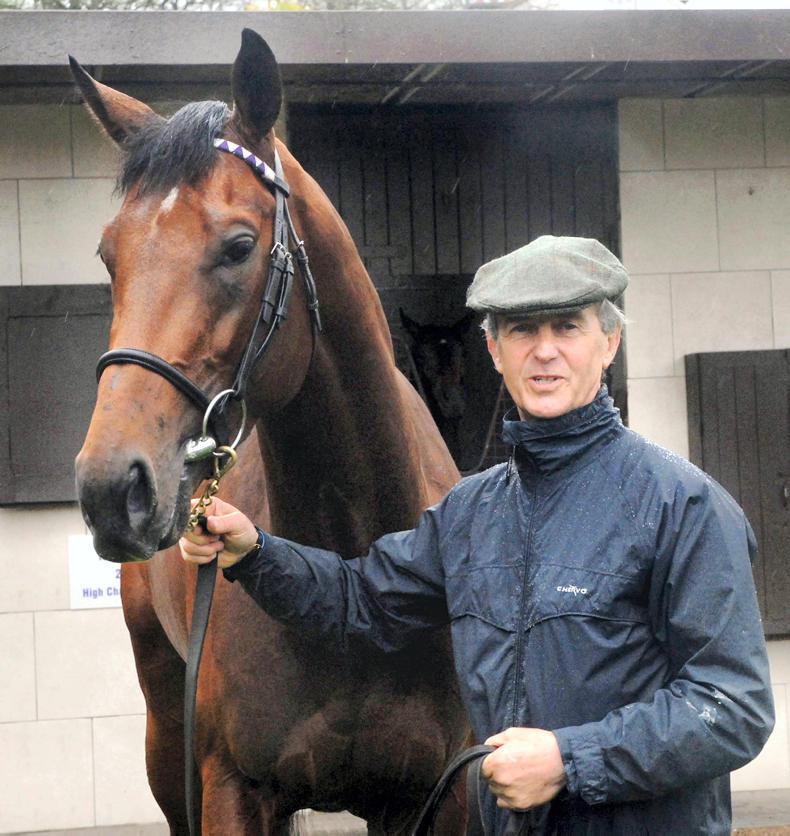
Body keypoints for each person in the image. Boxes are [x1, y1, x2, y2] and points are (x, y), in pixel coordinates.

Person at [181, 235, 774, 835]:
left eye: (567, 327)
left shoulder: (685, 506)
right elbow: (360, 599)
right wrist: (253, 551)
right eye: (521, 331)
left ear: (609, 343)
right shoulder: (472, 514)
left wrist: (570, 761)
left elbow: (732, 706)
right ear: (493, 349)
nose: (544, 352)